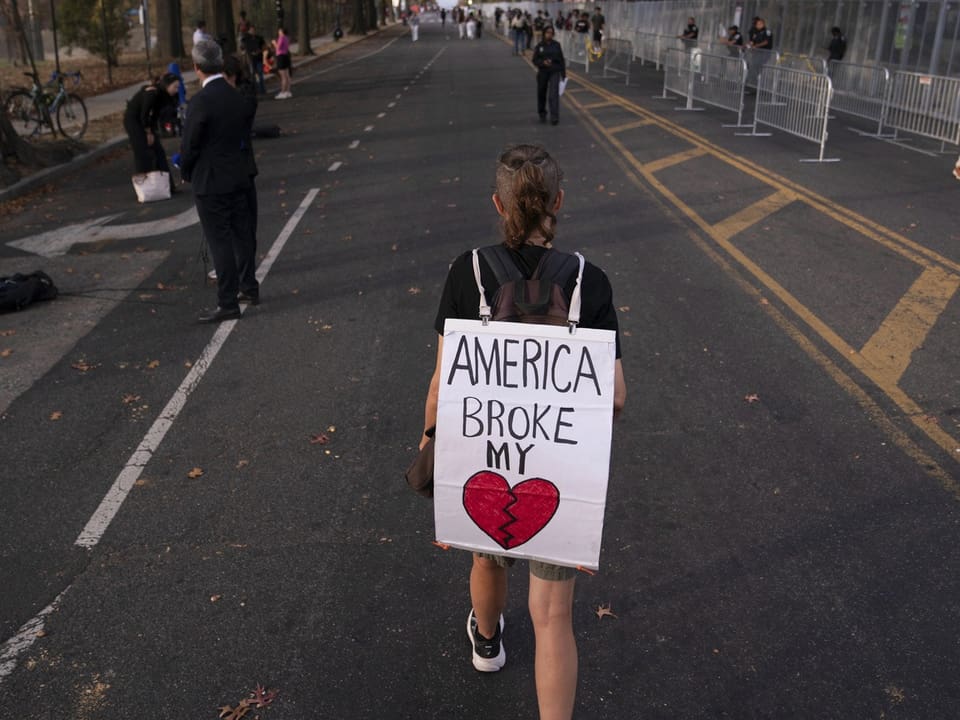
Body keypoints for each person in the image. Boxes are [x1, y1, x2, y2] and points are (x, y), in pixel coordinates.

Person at [421, 143, 627, 720]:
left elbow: (443, 380)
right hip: (559, 467)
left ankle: (486, 640)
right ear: (558, 203)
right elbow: (614, 392)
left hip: (483, 451)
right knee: (554, 616)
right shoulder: (591, 281)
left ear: (498, 204)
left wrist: (430, 443)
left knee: (486, 558)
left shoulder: (468, 272)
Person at [179, 38, 258, 323]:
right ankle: (249, 287)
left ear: (196, 67)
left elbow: (190, 145)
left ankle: (227, 301)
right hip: (238, 175)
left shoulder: (200, 101)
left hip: (210, 180)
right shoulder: (236, 96)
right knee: (242, 235)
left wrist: (185, 170)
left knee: (220, 242)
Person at [222, 53, 259, 302]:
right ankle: (244, 277)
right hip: (241, 167)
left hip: (238, 168)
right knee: (242, 230)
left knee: (242, 229)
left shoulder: (240, 99)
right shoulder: (242, 97)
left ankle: (244, 279)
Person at [123, 73, 181, 194]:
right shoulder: (152, 94)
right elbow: (144, 114)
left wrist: (152, 131)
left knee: (159, 151)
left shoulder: (164, 97)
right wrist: (148, 132)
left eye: (178, 87)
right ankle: (145, 188)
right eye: (175, 87)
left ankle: (167, 185)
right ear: (167, 85)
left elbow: (155, 116)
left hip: (146, 123)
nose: (177, 90)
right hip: (134, 121)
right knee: (142, 152)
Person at [533, 26, 565, 126]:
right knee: (542, 93)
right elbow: (535, 60)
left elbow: (561, 59)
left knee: (553, 94)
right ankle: (542, 113)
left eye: (551, 33)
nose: (549, 34)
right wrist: (543, 63)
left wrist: (563, 74)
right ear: (544, 33)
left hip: (554, 71)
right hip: (543, 72)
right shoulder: (539, 46)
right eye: (547, 32)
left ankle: (554, 116)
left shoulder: (556, 45)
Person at [240, 24, 267, 94]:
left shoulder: (259, 38)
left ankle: (262, 90)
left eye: (253, 30)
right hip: (251, 59)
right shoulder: (245, 38)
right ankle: (255, 90)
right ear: (249, 31)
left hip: (258, 58)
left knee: (260, 74)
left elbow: (264, 47)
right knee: (253, 75)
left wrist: (259, 51)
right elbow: (242, 47)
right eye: (251, 30)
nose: (253, 31)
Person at [273, 26, 292, 99]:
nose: (278, 32)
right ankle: (288, 91)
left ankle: (283, 92)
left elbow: (278, 47)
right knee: (287, 75)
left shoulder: (281, 38)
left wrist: (274, 43)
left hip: (280, 56)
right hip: (286, 56)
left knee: (283, 76)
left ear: (282, 31)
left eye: (279, 31)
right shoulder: (287, 38)